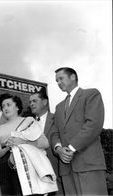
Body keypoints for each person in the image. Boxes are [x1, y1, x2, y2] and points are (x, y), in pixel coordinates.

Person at [52, 67, 108, 195]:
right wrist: (59, 149)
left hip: (88, 163)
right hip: (66, 168)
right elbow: (54, 132)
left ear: (73, 77)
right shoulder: (59, 107)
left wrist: (71, 148)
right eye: (56, 81)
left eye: (61, 78)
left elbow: (93, 124)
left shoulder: (91, 94)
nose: (59, 83)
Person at [0, 93, 55, 196]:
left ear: (17, 107)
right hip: (6, 168)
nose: (5, 108)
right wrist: (7, 148)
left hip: (27, 164)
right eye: (3, 106)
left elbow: (45, 143)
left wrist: (24, 142)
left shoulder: (28, 121)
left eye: (8, 105)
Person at [29, 89, 64, 196]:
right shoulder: (27, 124)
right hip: (35, 178)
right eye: (30, 102)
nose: (31, 104)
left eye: (34, 101)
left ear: (45, 102)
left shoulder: (57, 118)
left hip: (57, 176)